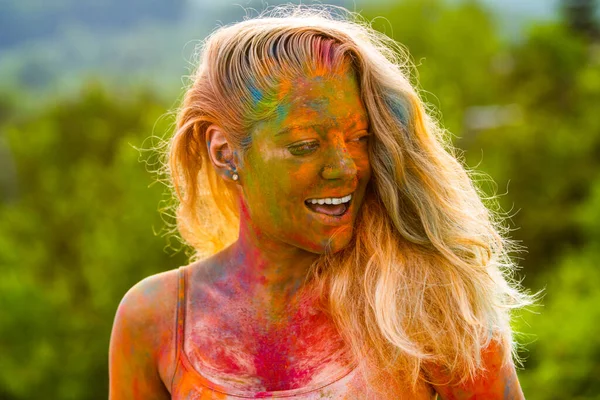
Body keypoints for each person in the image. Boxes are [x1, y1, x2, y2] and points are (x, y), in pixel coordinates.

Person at [109, 5, 532, 399]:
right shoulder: (156, 319)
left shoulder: (425, 302)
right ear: (224, 153)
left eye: (358, 138)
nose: (345, 168)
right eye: (305, 145)